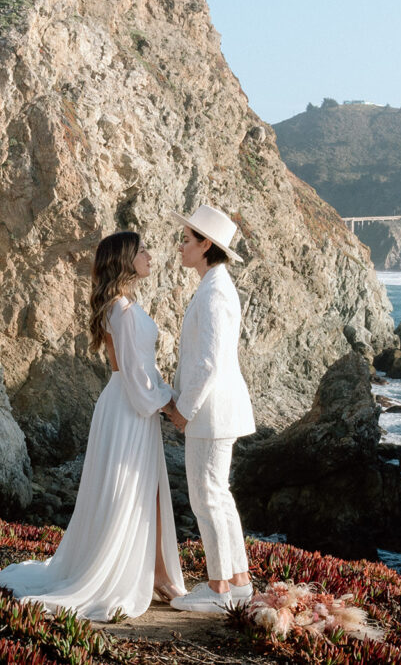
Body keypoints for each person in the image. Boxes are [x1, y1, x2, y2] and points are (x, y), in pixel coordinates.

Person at [0, 231, 186, 621]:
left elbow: (137, 370)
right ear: (125, 260)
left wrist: (163, 400)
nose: (150, 255)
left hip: (126, 406)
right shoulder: (124, 310)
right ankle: (149, 574)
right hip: (130, 407)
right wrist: (171, 407)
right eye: (142, 250)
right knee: (129, 489)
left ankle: (157, 573)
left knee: (142, 488)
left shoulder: (121, 305)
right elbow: (136, 373)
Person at [166, 204, 256, 613]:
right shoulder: (213, 285)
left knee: (207, 497)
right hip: (218, 410)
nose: (180, 246)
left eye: (186, 239)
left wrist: (183, 408)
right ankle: (237, 582)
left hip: (212, 412)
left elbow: (209, 362)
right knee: (218, 495)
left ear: (205, 245)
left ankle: (219, 589)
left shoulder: (216, 291)